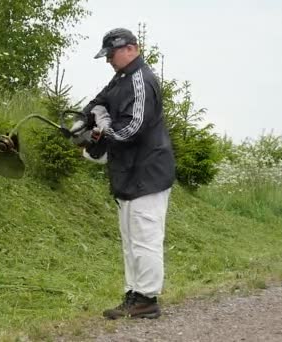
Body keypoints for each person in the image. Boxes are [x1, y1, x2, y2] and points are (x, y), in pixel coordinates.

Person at [82, 27, 175, 320]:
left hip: (148, 171)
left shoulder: (141, 81)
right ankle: (134, 294)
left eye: (112, 53)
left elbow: (132, 129)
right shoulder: (120, 78)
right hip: (128, 172)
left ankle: (147, 299)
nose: (108, 59)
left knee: (145, 237)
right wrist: (92, 119)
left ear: (131, 48)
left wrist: (102, 128)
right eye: (107, 55)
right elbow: (96, 103)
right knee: (130, 238)